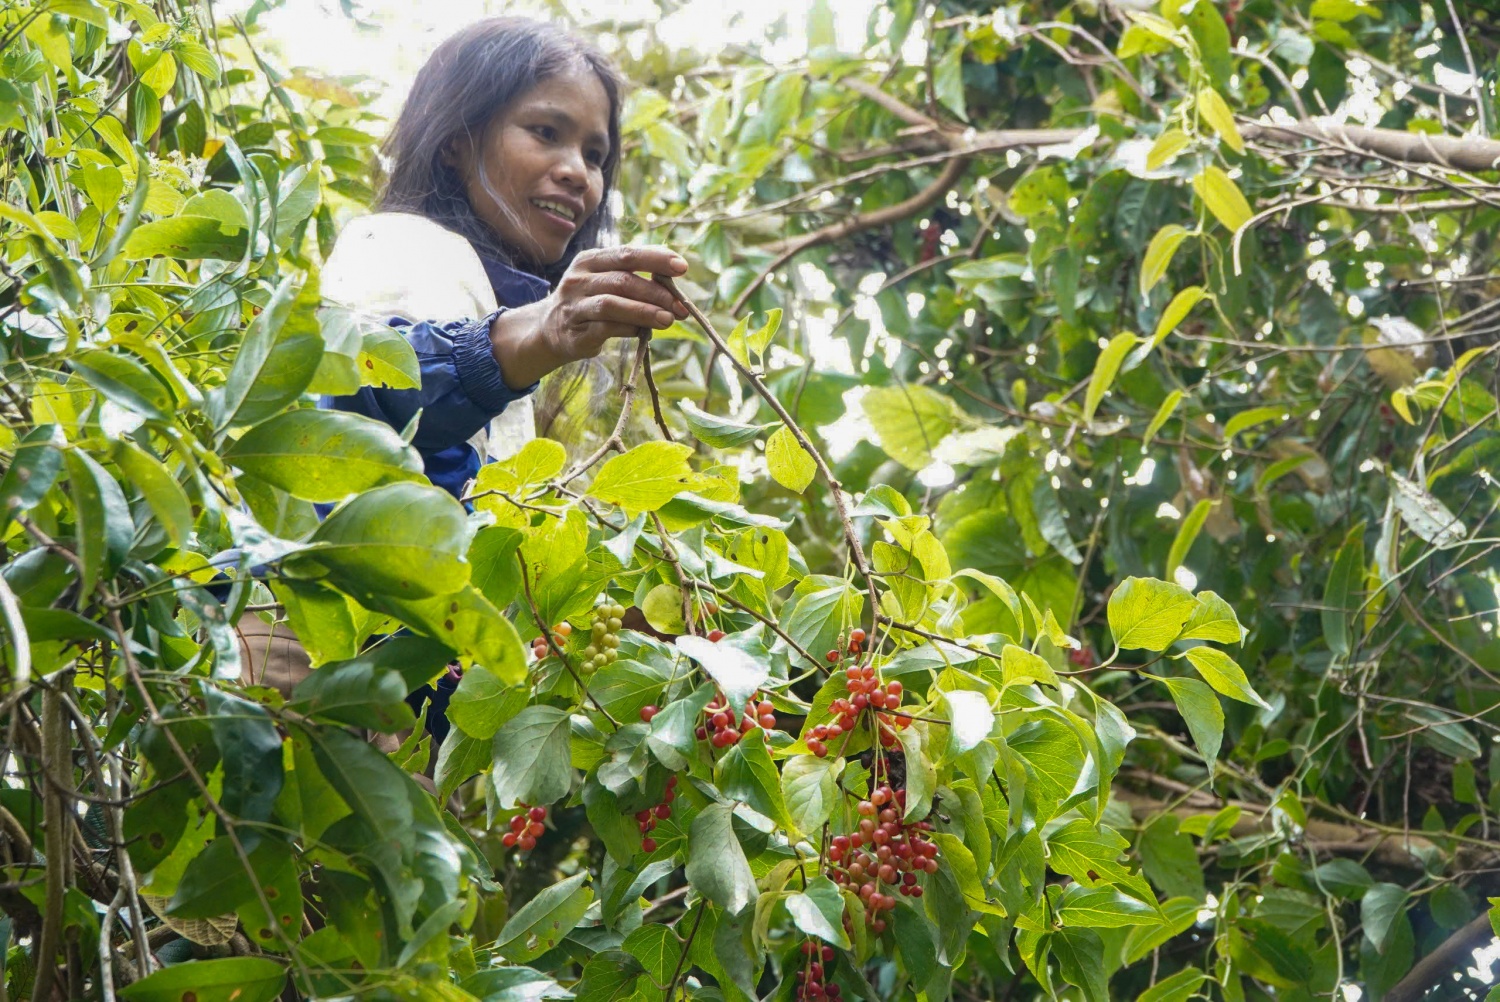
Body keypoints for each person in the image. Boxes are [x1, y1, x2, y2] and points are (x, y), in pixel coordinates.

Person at [238, 17, 688, 745]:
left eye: (595, 153)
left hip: (399, 715)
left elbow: (470, 536)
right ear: (456, 141)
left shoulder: (495, 300)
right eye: (546, 131)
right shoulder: (402, 243)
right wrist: (538, 335)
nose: (579, 170)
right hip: (305, 662)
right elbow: (371, 389)